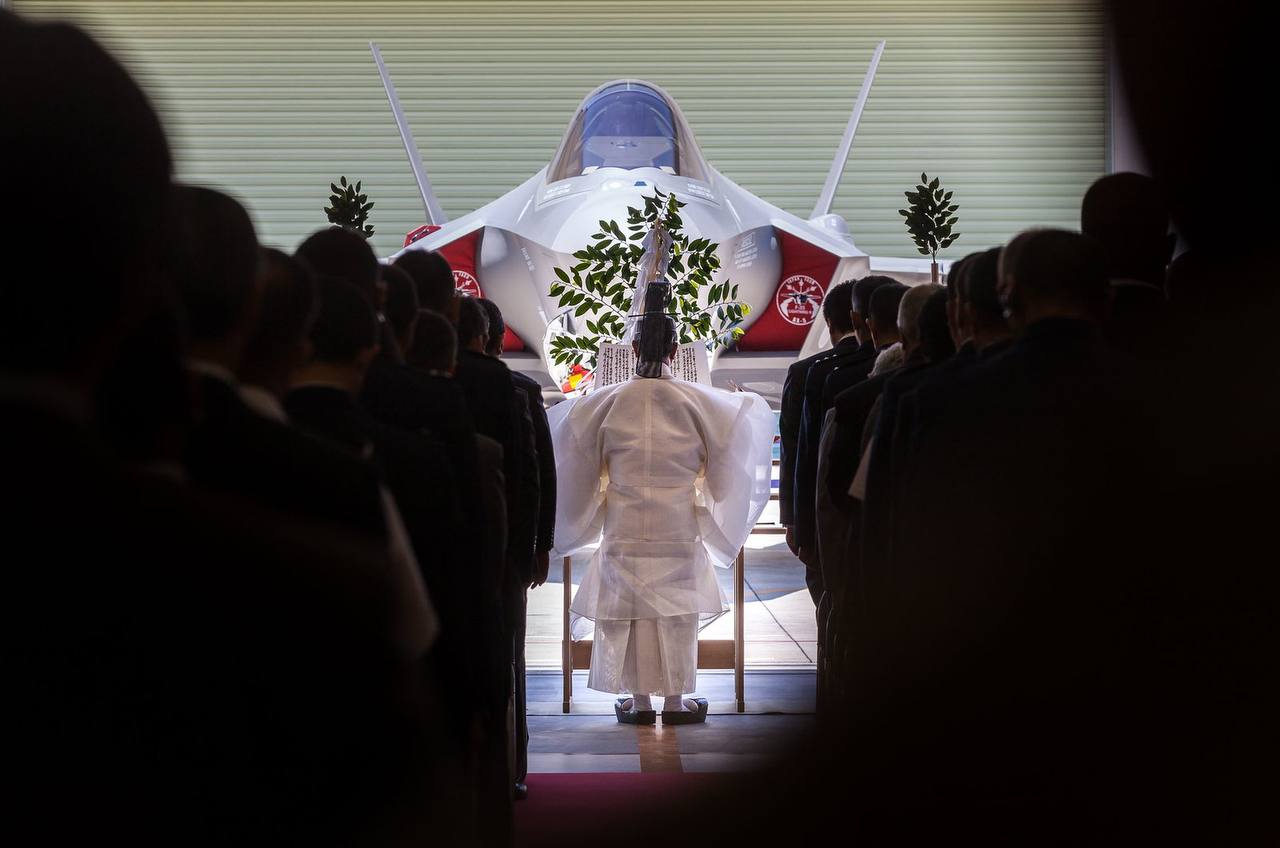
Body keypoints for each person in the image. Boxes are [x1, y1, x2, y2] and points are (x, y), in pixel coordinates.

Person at [548, 281, 774, 724]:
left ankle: (639, 701)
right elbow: (730, 454)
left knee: (629, 614)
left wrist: (598, 496)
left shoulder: (604, 403)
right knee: (676, 614)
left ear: (632, 349)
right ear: (675, 351)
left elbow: (575, 461)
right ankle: (675, 702)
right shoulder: (698, 403)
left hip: (624, 521)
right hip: (677, 521)